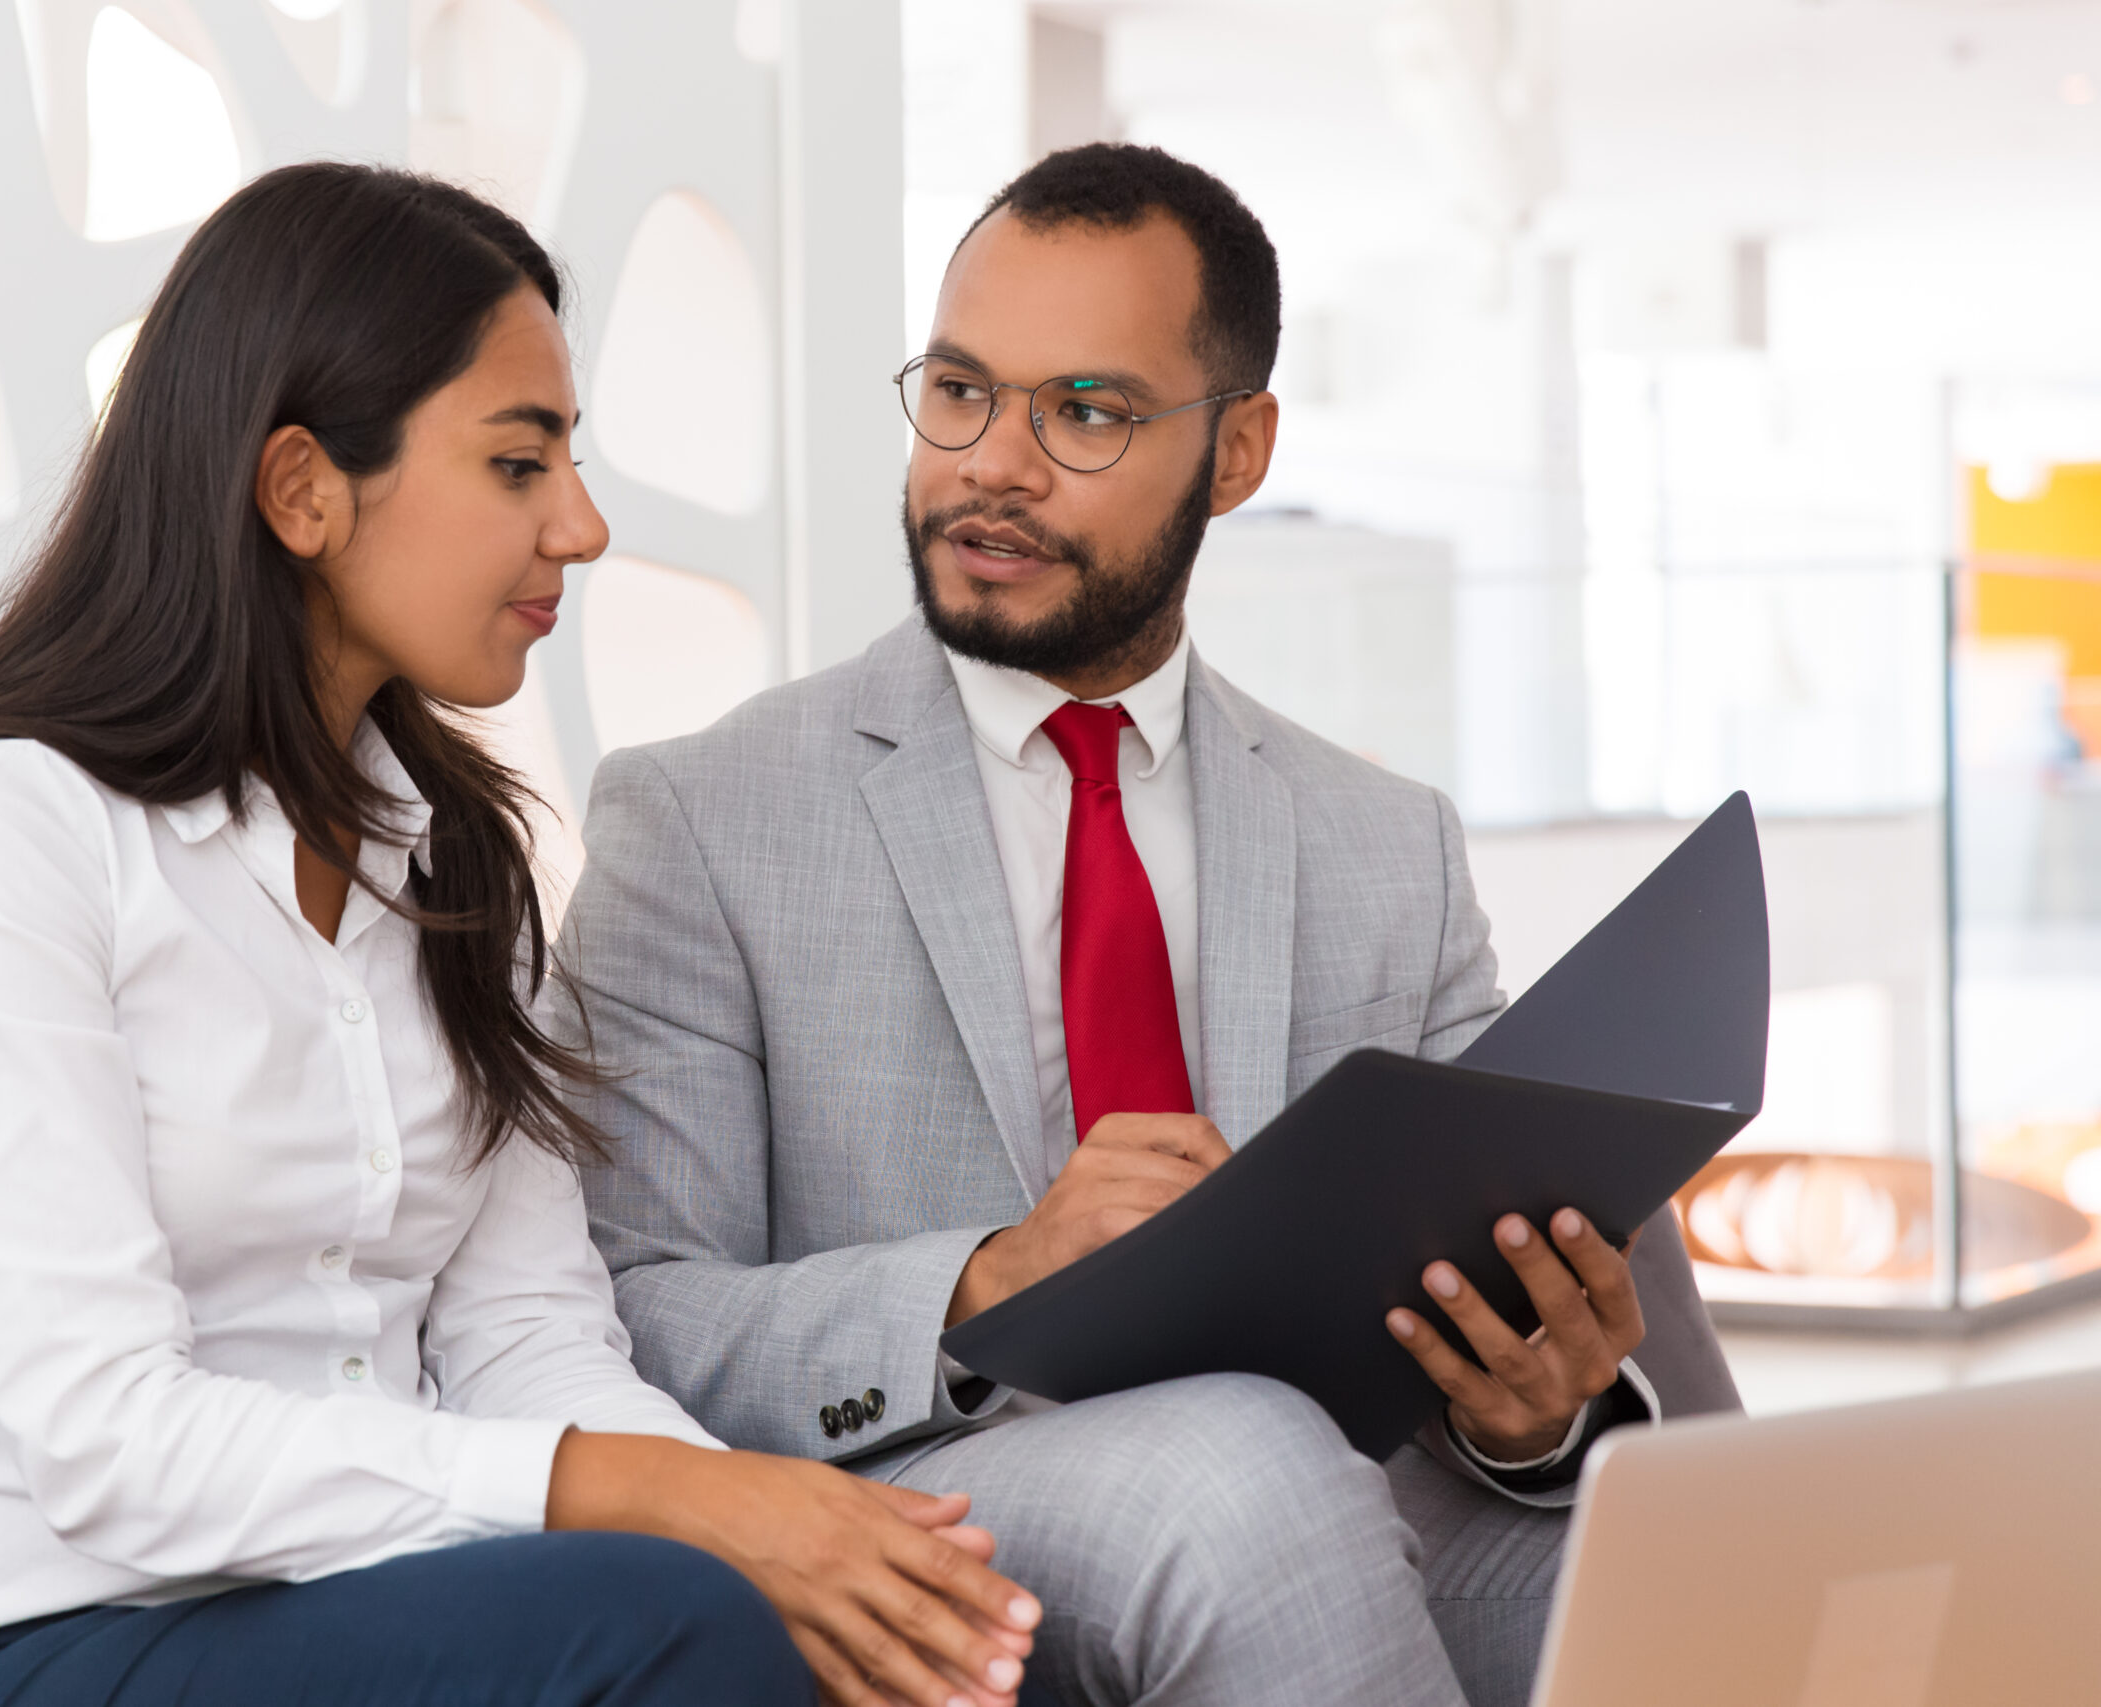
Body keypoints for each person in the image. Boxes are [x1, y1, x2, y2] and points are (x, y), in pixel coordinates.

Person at [0, 163, 1046, 1707]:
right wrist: (663, 1505)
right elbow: (111, 1448)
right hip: (25, 1644)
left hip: (383, 1607)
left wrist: (812, 1546)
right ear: (303, 488)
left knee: (936, 1653)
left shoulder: (453, 862)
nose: (578, 527)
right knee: (668, 1623)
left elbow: (527, 1339)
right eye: (519, 463)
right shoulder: (0, 835)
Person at [556, 143, 1743, 1707]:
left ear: (1237, 450)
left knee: (1684, 1522)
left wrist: (1540, 1410)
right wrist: (986, 1277)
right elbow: (636, 1312)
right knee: (1245, 1471)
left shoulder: (1384, 844)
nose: (993, 464)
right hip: (954, 1479)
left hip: (1337, 1479)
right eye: (962, 392)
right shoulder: (705, 820)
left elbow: (1512, 1301)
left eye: (1086, 414)